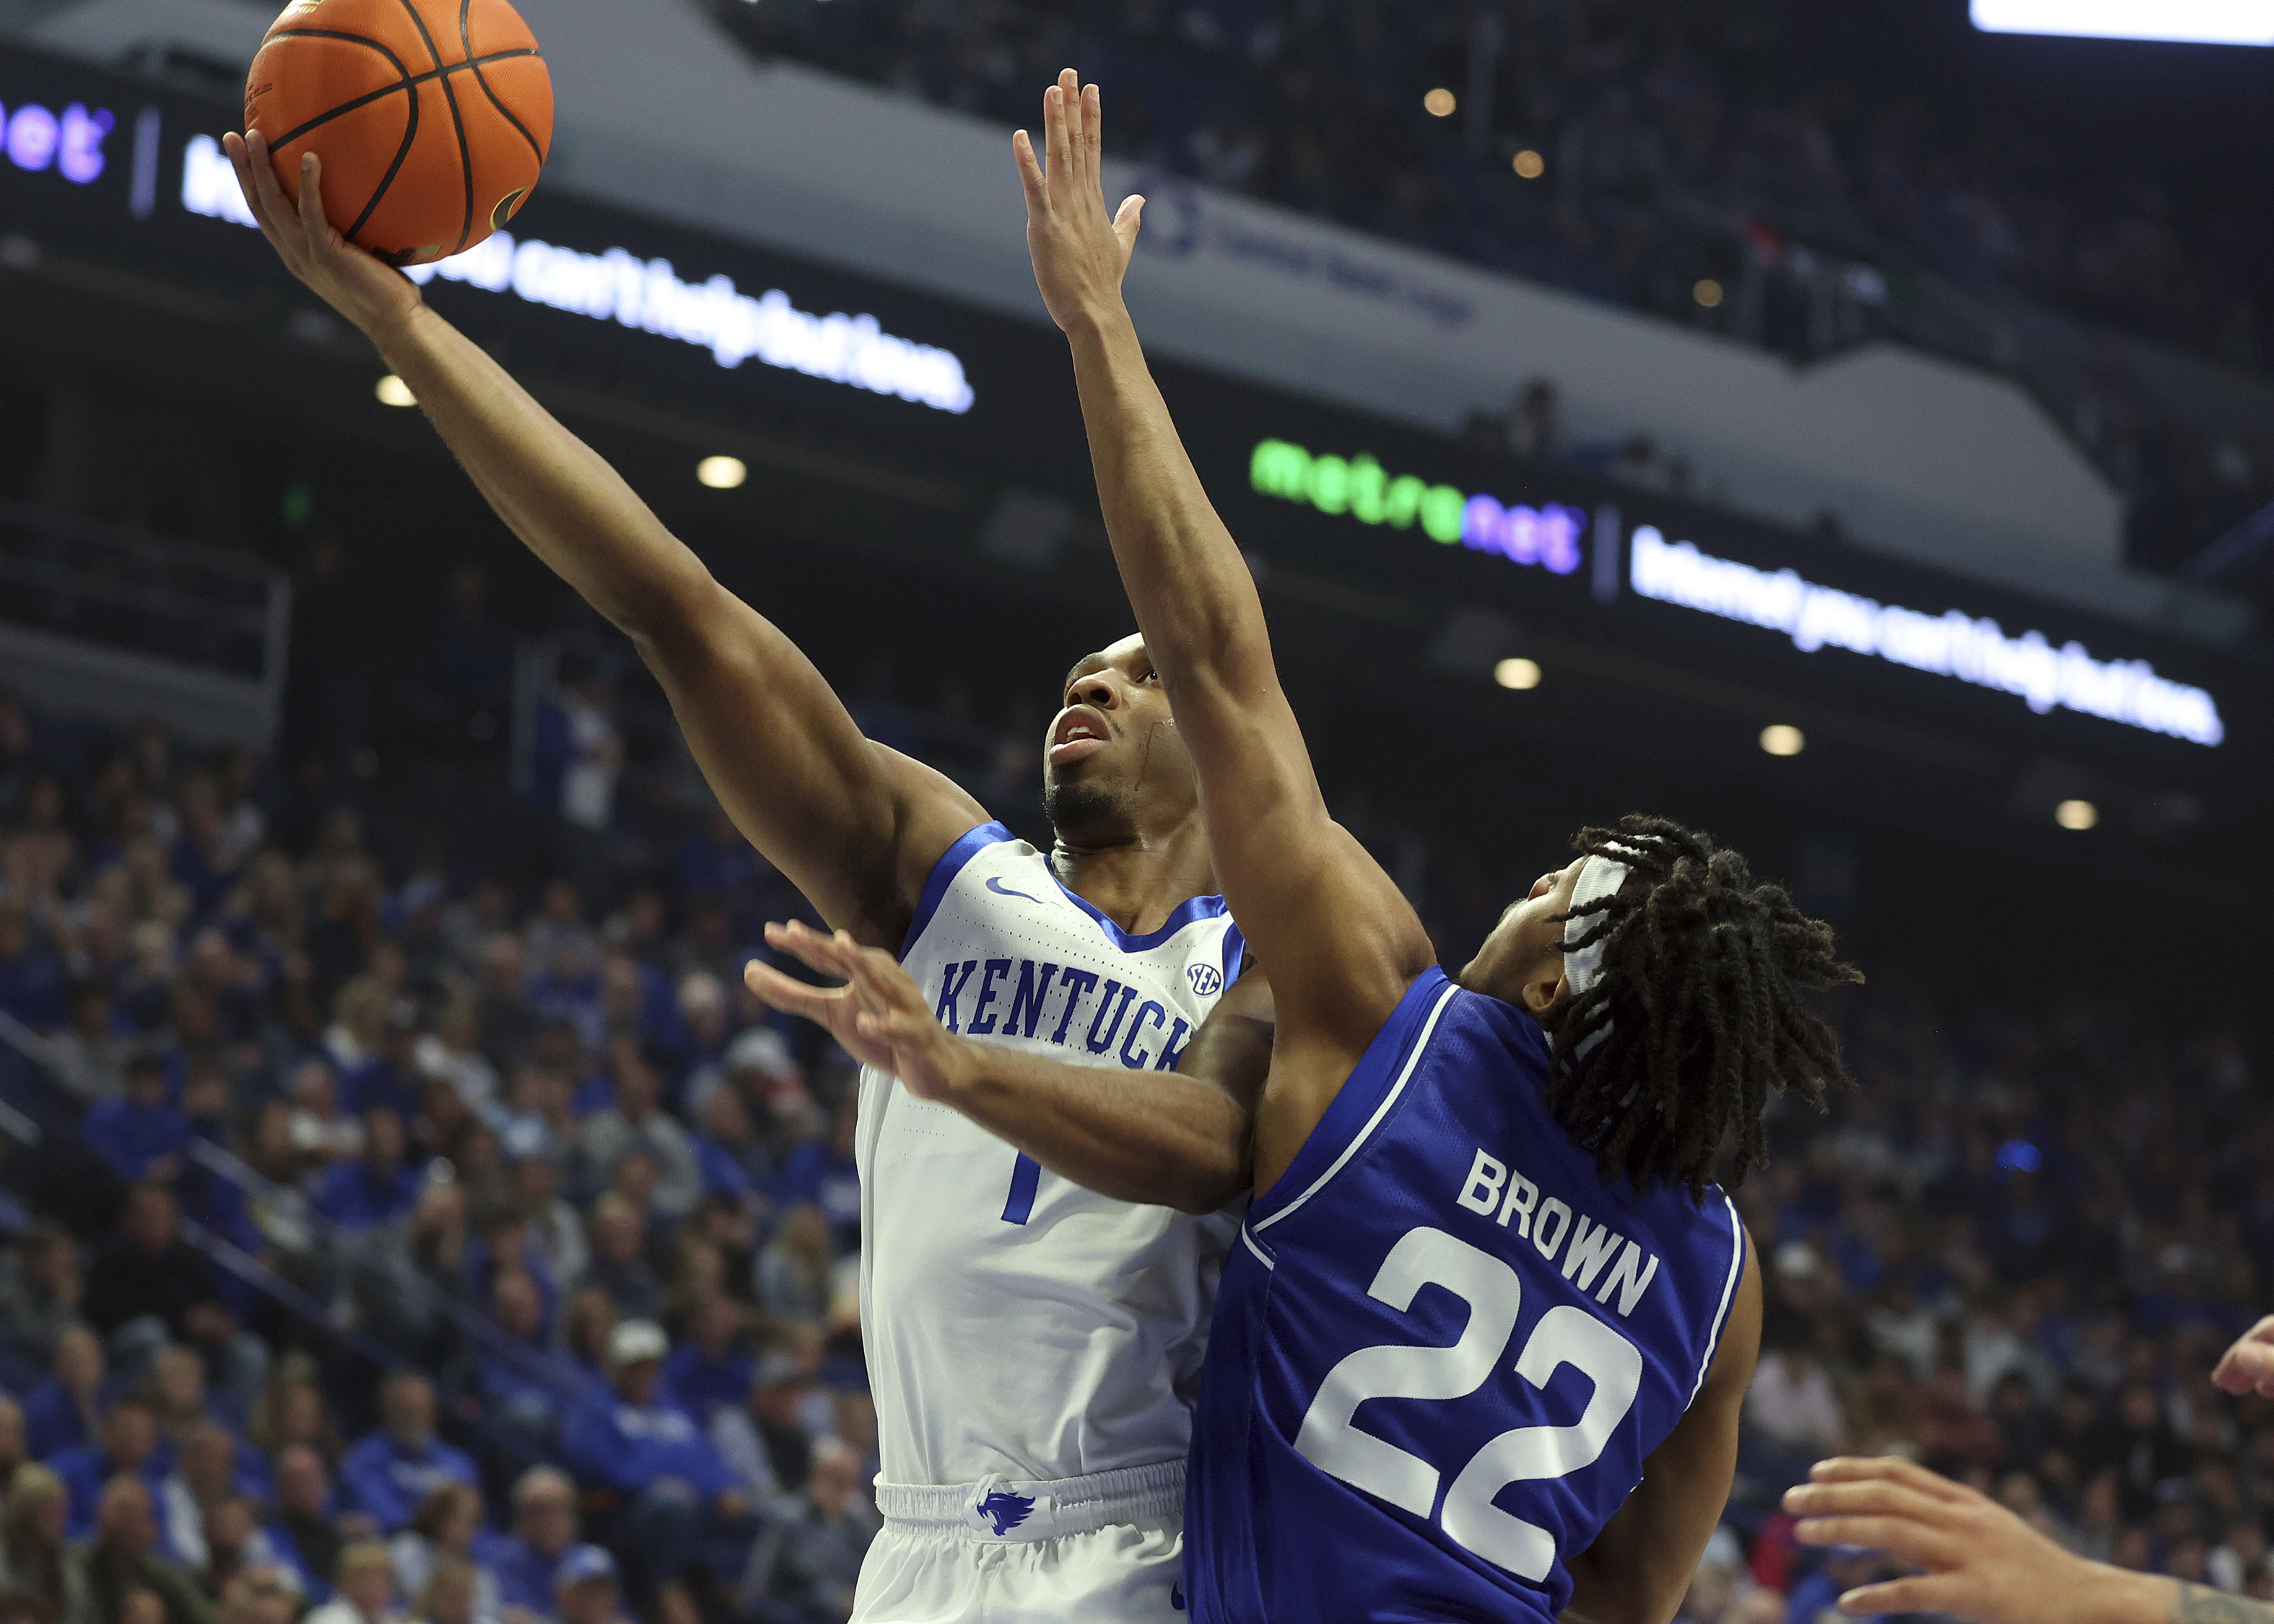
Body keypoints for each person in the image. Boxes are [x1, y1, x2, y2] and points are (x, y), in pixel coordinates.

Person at [760, 69, 1859, 1623]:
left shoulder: (1392, 1033)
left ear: (1553, 995)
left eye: (1554, 898)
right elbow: (1626, 1599)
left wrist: (1099, 327)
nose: (1526, 887)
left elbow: (1213, 657)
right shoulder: (1719, 1282)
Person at [225, 124, 1270, 1624]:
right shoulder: (946, 871)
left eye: (1140, 676)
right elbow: (673, 604)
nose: (1091, 689)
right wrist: (401, 324)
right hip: (913, 1542)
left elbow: (1218, 1142)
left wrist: (960, 1065)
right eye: (1078, 672)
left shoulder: (1263, 959)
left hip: (1138, 1531)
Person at [337, 1374, 477, 1536]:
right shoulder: (362, 1461)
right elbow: (382, 1517)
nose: (416, 1419)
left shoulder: (458, 1463)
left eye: (422, 1410)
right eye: (407, 1411)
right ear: (386, 1412)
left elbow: (477, 1525)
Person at [71, 1475, 219, 1624]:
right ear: (100, 1515)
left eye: (136, 1516)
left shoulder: (155, 1572)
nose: (128, 1525)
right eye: (123, 1514)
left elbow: (201, 1616)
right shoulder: (77, 1565)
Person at [475, 1467, 575, 1620]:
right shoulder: (496, 1561)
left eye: (559, 1510)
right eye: (541, 1511)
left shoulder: (586, 1563)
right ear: (522, 1516)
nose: (551, 1521)